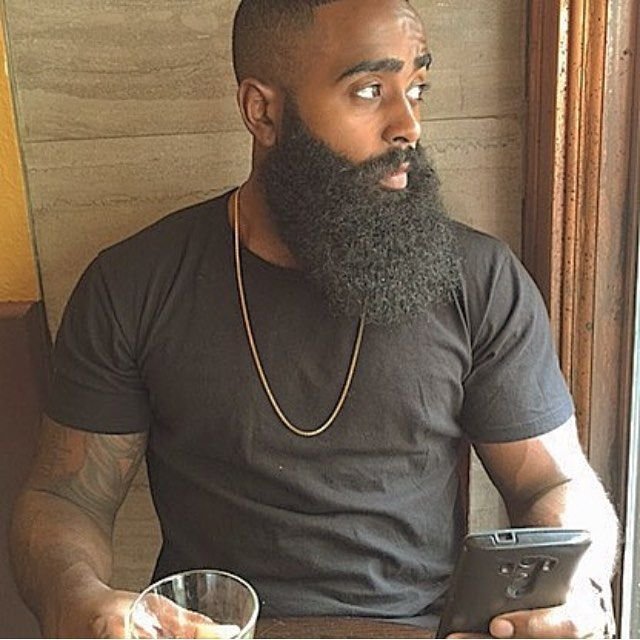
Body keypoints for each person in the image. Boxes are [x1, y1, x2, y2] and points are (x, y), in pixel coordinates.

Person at [10, 0, 619, 637]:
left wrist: (580, 587)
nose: (408, 125)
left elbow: (554, 481)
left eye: (416, 88)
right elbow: (65, 496)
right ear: (263, 112)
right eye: (369, 90)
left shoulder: (479, 279)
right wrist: (77, 600)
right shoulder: (135, 282)